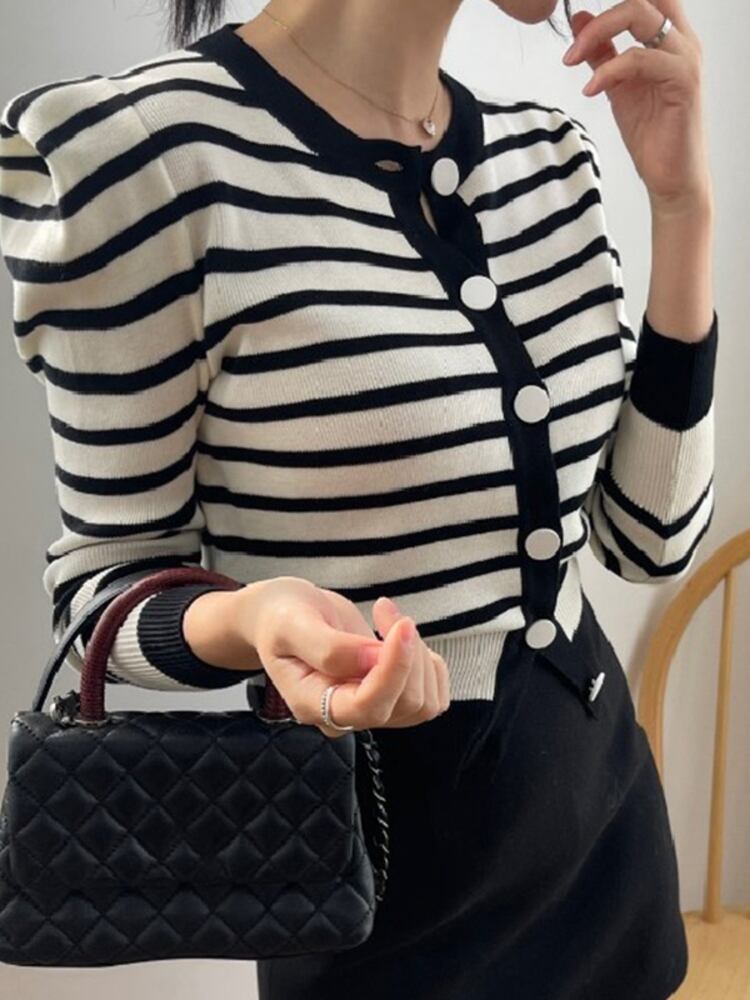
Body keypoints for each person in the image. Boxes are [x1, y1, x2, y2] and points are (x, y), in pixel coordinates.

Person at [0, 0, 717, 996]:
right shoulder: (132, 160)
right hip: (368, 893)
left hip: (608, 854)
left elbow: (649, 539)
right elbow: (101, 596)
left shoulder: (551, 155)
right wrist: (250, 620)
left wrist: (683, 212)